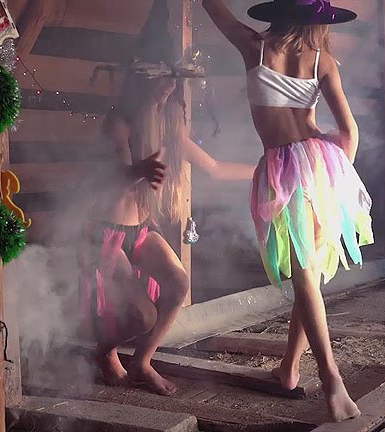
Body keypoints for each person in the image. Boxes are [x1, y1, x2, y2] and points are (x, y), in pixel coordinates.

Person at [202, 0, 374, 422]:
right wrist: (336, 177)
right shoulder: (322, 61)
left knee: (304, 272)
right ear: (317, 21)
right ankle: (289, 369)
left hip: (283, 165)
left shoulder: (253, 47)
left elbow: (212, 6)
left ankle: (331, 378)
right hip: (321, 164)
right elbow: (349, 132)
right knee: (308, 272)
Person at [78, 67, 254, 397]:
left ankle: (141, 362)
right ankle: (105, 350)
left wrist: (266, 168)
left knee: (178, 283)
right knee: (143, 316)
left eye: (173, 77)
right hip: (106, 232)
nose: (170, 84)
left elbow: (215, 168)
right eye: (162, 76)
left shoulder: (168, 127)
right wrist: (139, 170)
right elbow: (112, 179)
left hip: (142, 229)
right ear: (142, 77)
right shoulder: (120, 122)